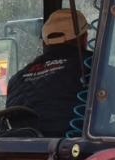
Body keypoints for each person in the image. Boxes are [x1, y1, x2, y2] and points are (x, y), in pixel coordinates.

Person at [6, 8, 90, 137]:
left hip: (21, 152)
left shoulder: (17, 79)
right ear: (84, 38)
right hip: (73, 151)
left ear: (44, 43)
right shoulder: (92, 66)